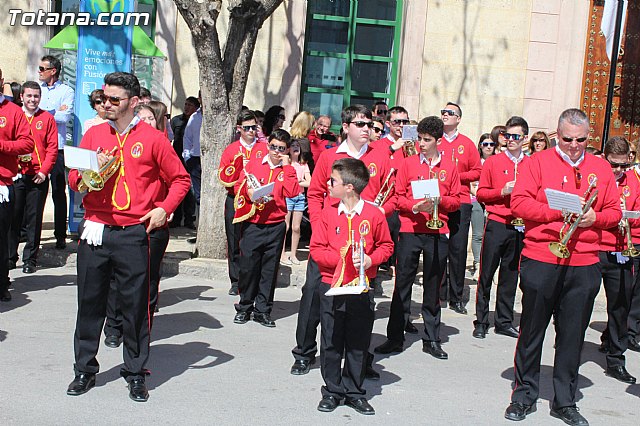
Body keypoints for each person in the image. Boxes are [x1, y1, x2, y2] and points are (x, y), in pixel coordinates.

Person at [65, 72, 190, 402]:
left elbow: (180, 180)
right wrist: (86, 177)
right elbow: (74, 179)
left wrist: (164, 208)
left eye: (113, 99)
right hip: (95, 229)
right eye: (104, 98)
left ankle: (135, 372)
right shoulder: (94, 135)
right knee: (89, 304)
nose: (106, 104)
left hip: (134, 232)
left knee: (135, 307)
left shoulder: (153, 138)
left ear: (133, 102)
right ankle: (84, 369)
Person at [504, 108, 621, 425]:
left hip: (583, 260)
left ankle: (564, 401)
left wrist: (596, 218)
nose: (573, 146)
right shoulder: (536, 162)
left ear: (588, 138)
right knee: (532, 330)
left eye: (580, 140)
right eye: (567, 139)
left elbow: (613, 213)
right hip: (542, 256)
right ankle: (524, 395)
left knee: (572, 335)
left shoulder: (600, 167)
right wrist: (557, 212)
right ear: (558, 135)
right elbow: (519, 203)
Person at [291, 104, 393, 377]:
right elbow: (314, 193)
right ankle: (304, 352)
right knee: (314, 296)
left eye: (370, 124)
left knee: (361, 303)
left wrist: (382, 212)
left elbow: (392, 192)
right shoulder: (329, 157)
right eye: (360, 124)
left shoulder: (380, 156)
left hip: (363, 243)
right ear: (346, 127)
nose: (367, 129)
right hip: (331, 240)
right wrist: (322, 219)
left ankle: (360, 360)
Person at [374, 116, 460, 360]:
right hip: (411, 228)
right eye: (419, 139)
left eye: (426, 140)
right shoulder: (408, 164)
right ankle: (394, 337)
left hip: (436, 229)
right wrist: (414, 207)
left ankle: (432, 338)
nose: (421, 143)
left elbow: (456, 200)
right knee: (402, 283)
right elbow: (398, 196)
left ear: (437, 141)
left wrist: (439, 201)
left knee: (433, 285)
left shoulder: (450, 167)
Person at [312, 157, 393, 416]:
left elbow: (386, 246)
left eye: (333, 180)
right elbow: (317, 249)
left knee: (358, 342)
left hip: (361, 288)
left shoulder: (373, 214)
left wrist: (371, 260)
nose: (328, 183)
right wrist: (342, 260)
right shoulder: (327, 214)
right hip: (331, 287)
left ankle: (354, 391)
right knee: (331, 340)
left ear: (349, 187)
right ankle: (333, 390)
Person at [102, 102, 176, 348]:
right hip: (122, 223)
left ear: (158, 122)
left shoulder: (161, 145)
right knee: (116, 278)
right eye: (140, 117)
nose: (144, 122)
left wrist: (166, 207)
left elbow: (177, 181)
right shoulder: (121, 142)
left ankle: (142, 326)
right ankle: (113, 326)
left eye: (149, 118)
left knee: (148, 279)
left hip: (152, 225)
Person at [232, 129, 300, 327]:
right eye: (273, 147)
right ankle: (244, 306)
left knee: (269, 271)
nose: (276, 151)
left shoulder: (287, 170)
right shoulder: (255, 163)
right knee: (248, 268)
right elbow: (238, 186)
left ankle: (263, 310)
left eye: (281, 149)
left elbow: (293, 191)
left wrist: (287, 167)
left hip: (276, 225)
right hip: (254, 223)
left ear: (287, 150)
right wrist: (249, 191)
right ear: (267, 145)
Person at [473, 116, 530, 340]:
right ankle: (481, 320)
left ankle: (504, 321)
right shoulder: (493, 162)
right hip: (497, 222)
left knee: (510, 274)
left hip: (519, 225)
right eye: (507, 136)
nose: (510, 140)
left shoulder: (531, 163)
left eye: (516, 136)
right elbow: (481, 194)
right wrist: (502, 191)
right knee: (487, 273)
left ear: (524, 138)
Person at [596, 136, 638, 384]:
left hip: (621, 250)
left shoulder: (635, 181)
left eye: (624, 165)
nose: (619, 171)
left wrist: (626, 217)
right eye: (614, 164)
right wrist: (611, 215)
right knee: (578, 305)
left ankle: (616, 359)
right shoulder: (597, 179)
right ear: (605, 159)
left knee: (619, 308)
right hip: (596, 248)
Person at [8, 81, 58, 274]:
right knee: (13, 218)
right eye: (29, 96)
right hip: (16, 174)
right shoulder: (14, 115)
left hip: (38, 176)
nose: (32, 99)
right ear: (21, 97)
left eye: (36, 96)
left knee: (34, 219)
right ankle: (10, 257)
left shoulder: (47, 118)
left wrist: (44, 171)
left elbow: (52, 148)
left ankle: (30, 258)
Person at [218, 110, 269, 296]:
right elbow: (223, 174)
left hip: (257, 200)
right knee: (234, 240)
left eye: (254, 128)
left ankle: (252, 278)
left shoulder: (264, 148)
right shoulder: (231, 149)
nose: (251, 131)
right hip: (236, 199)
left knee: (253, 242)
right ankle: (236, 280)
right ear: (239, 128)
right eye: (247, 128)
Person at [439, 102, 482, 314]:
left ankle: (456, 297)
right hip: (438, 201)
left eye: (450, 113)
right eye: (443, 112)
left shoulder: (467, 143)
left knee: (457, 249)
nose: (445, 115)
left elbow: (477, 171)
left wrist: (456, 176)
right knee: (438, 248)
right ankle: (439, 293)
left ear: (458, 119)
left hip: (461, 201)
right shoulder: (435, 141)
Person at [0, 66, 34, 302]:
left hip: (1, 184)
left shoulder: (12, 111)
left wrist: (2, 146)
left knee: (1, 239)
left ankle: (1, 283)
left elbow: (26, 144)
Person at [38, 55, 74, 249]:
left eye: (42, 68)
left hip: (58, 147)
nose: (39, 72)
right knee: (37, 192)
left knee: (59, 191)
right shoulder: (37, 90)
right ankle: (29, 233)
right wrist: (52, 112)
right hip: (38, 148)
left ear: (53, 70)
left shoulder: (66, 90)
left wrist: (44, 112)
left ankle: (60, 234)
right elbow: (32, 110)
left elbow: (64, 116)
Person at [170, 96, 199, 229]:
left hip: (192, 160)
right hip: (177, 159)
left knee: (191, 192)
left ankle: (189, 219)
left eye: (190, 105)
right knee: (177, 188)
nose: (187, 107)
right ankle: (176, 219)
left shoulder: (197, 120)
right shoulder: (176, 120)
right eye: (186, 104)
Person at [469, 133, 495, 278]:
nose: (489, 147)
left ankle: (489, 265)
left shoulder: (497, 161)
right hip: (476, 199)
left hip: (493, 200)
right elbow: (471, 184)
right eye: (485, 144)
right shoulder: (477, 162)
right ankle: (478, 264)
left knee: (490, 235)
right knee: (478, 234)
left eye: (491, 144)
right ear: (480, 145)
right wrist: (481, 196)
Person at [281, 140, 311, 265]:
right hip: (287, 197)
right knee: (285, 226)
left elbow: (310, 182)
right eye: (292, 145)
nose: (295, 148)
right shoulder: (286, 164)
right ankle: (281, 254)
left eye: (297, 146)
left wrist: (296, 182)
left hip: (299, 197)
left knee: (296, 227)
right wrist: (298, 181)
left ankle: (293, 254)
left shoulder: (303, 165)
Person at [183, 93, 202, 208]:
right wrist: (187, 157)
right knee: (198, 195)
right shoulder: (195, 117)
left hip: (213, 161)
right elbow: (187, 138)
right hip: (195, 159)